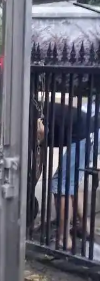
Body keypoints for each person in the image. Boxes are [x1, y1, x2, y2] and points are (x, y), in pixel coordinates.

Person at [38, 100, 97, 251]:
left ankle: (64, 238)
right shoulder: (38, 108)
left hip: (82, 136)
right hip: (91, 133)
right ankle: (85, 227)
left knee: (60, 185)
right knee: (72, 183)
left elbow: (41, 137)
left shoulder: (33, 116)